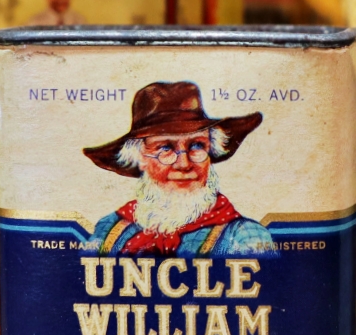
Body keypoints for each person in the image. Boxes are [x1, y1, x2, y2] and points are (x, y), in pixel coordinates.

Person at [83, 81, 276, 256]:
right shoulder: (109, 230)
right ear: (140, 158)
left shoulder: (244, 237)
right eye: (165, 148)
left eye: (197, 146)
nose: (184, 164)